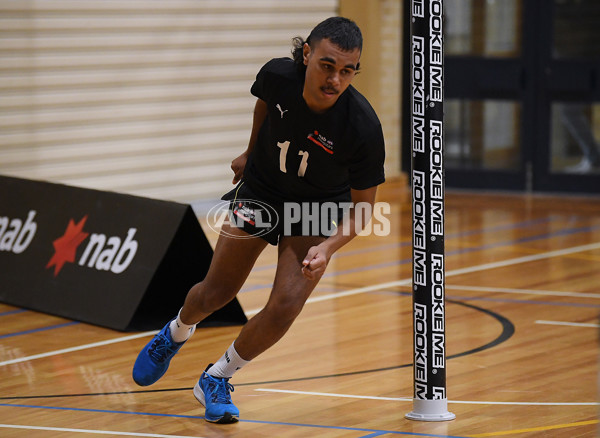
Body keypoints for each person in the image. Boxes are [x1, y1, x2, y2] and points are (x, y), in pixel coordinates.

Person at [132, 16, 385, 424]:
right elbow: (264, 105)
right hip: (262, 190)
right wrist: (250, 153)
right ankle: (175, 331)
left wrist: (327, 246)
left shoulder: (363, 127)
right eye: (327, 65)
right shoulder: (276, 75)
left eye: (347, 71)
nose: (335, 79)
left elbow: (363, 207)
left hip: (315, 209)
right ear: (307, 55)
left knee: (286, 304)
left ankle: (216, 378)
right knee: (216, 292)